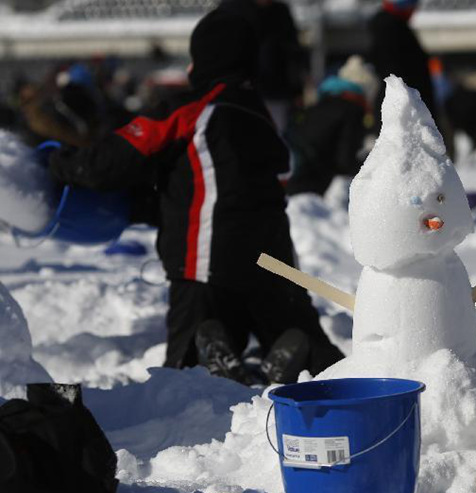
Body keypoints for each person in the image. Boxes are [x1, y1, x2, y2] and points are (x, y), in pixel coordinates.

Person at [48, 10, 344, 385]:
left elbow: (108, 163)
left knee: (185, 375)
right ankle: (290, 359)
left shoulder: (191, 109)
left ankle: (212, 369)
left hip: (206, 258)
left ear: (203, 56)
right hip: (272, 258)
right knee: (315, 361)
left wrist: (56, 162)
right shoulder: (262, 118)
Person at [286, 56, 377, 196]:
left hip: (297, 174)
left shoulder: (324, 100)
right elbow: (345, 159)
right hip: (314, 183)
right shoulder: (353, 110)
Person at [218, 0, 307, 134]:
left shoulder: (281, 12)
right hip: (240, 93)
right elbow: (221, 52)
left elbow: (292, 54)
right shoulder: (231, 9)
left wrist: (297, 91)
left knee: (276, 138)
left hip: (277, 93)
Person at [367, 0, 435, 122]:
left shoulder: (395, 25)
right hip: (404, 104)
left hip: (409, 100)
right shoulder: (389, 27)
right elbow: (391, 69)